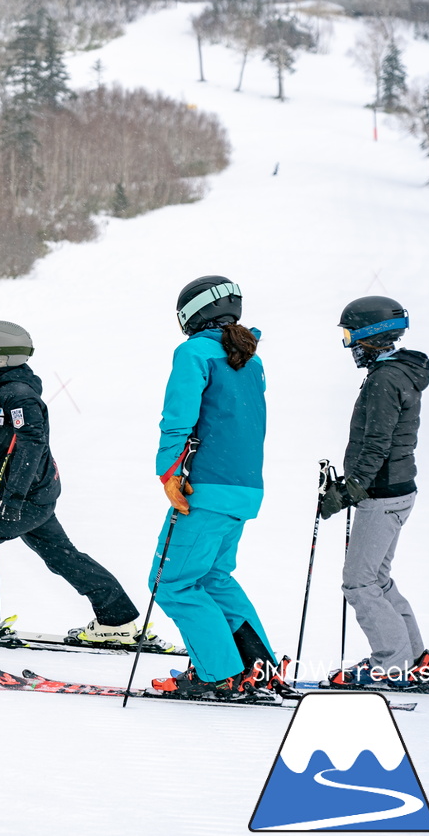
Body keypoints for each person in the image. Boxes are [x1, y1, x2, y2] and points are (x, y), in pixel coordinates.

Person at [0, 320, 145, 644]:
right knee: (62, 556)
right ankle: (117, 619)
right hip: (24, 496)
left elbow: (32, 443)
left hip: (27, 496)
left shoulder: (19, 395)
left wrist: (14, 496)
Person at [148, 276, 285, 701]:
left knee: (171, 582)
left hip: (205, 489)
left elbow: (179, 417)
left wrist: (169, 472)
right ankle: (256, 667)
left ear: (192, 313)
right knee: (213, 576)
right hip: (242, 490)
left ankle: (218, 674)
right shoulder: (250, 359)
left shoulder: (195, 352)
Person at [319, 296, 429, 688]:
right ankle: (414, 657)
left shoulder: (386, 378)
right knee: (377, 579)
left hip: (382, 495)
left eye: (351, 335)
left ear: (371, 335)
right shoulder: (398, 372)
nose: (350, 345)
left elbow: (377, 443)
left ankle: (392, 663)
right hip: (397, 490)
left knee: (359, 583)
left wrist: (351, 488)